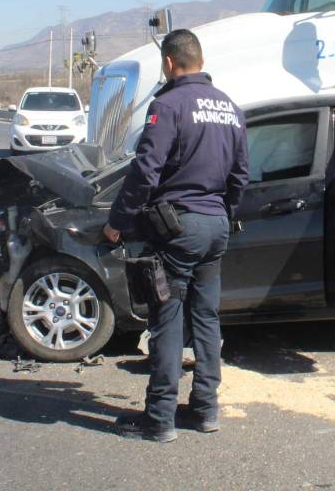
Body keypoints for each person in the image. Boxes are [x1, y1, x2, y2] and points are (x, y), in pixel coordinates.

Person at [103, 29, 249, 442]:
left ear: (169, 63)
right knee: (206, 318)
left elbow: (145, 172)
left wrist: (118, 222)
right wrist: (222, 213)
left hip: (178, 228)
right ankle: (205, 410)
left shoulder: (167, 106)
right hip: (216, 227)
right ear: (200, 60)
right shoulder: (230, 108)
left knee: (166, 319)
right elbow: (241, 176)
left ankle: (160, 418)